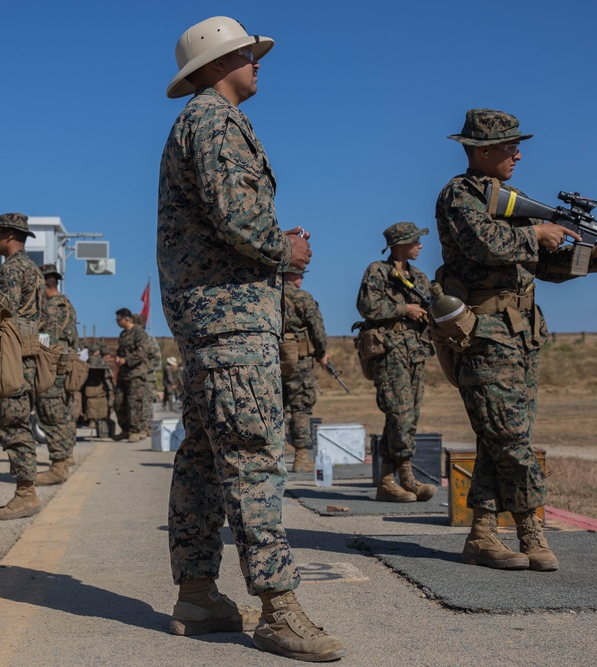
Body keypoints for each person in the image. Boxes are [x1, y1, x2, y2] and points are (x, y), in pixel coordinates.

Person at [158, 16, 345, 661]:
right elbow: (238, 217)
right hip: (232, 320)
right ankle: (278, 609)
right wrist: (284, 246)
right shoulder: (215, 121)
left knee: (207, 455)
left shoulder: (202, 122)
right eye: (246, 53)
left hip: (216, 318)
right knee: (252, 458)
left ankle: (198, 592)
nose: (257, 61)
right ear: (216, 63)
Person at [435, 108, 597, 572]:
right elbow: (484, 243)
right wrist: (537, 233)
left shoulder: (512, 198)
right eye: (509, 146)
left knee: (500, 436)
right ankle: (531, 528)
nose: (518, 154)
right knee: (509, 438)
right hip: (483, 334)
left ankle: (483, 534)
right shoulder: (459, 194)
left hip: (521, 335)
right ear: (482, 150)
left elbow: (546, 268)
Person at [356, 223, 438, 503]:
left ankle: (388, 481)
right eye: (416, 241)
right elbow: (367, 306)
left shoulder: (419, 278)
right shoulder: (378, 272)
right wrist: (405, 309)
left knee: (409, 417)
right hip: (390, 351)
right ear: (401, 245)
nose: (420, 245)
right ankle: (405, 476)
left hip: (415, 352)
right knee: (399, 414)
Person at [0, 213, 45, 520]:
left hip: (12, 355)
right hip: (27, 352)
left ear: (9, 235)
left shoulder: (11, 270)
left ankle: (26, 494)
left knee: (12, 423)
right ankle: (27, 490)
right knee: (18, 420)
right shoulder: (34, 271)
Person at [281, 267, 330, 474]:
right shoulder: (302, 297)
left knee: (276, 406)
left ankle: (275, 451)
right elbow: (317, 328)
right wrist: (322, 353)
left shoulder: (268, 296)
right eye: (299, 274)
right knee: (300, 405)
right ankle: (301, 456)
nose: (301, 278)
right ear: (290, 275)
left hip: (272, 359)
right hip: (299, 359)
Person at [34, 263, 79, 486]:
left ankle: (58, 466)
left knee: (50, 415)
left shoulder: (51, 308)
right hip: (66, 366)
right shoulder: (68, 306)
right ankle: (67, 455)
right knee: (64, 413)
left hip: (53, 368)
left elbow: (46, 341)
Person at [112, 308, 149, 442]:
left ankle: (135, 430)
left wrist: (126, 360)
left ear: (126, 319)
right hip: (123, 374)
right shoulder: (123, 334)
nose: (117, 322)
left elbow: (142, 352)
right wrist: (117, 358)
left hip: (136, 374)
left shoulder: (139, 333)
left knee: (134, 403)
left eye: (119, 319)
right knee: (119, 403)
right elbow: (120, 351)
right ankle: (125, 429)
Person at [82, 341, 116, 437]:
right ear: (97, 351)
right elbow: (108, 379)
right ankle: (103, 431)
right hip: (102, 392)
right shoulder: (103, 363)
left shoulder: (86, 362)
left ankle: (92, 422)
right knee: (104, 414)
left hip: (89, 392)